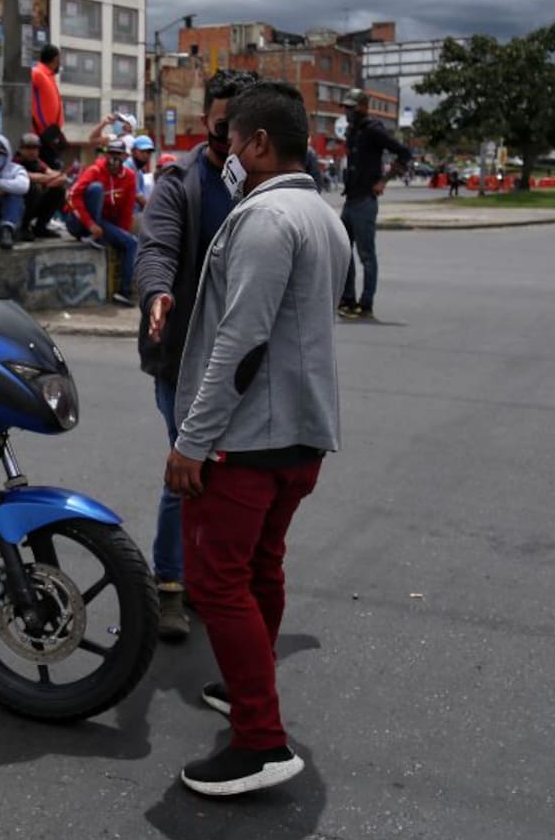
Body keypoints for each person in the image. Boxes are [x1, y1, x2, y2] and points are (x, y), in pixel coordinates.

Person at [164, 81, 350, 797]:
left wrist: (192, 439)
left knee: (216, 581)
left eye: (231, 142)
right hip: (300, 434)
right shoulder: (319, 214)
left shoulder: (268, 217)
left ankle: (260, 741)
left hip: (248, 442)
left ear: (260, 144)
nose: (226, 156)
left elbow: (240, 343)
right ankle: (249, 690)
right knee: (261, 569)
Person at [134, 69, 259, 642]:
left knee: (235, 475)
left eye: (239, 133)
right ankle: (170, 587)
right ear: (205, 125)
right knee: (187, 468)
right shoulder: (178, 183)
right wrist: (158, 293)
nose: (228, 145)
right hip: (182, 355)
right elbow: (156, 247)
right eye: (219, 131)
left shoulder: (270, 184)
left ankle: (217, 580)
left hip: (247, 360)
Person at [337, 88, 411, 321]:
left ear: (363, 107)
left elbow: (404, 153)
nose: (348, 111)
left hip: (365, 201)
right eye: (346, 107)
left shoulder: (373, 130)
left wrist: (384, 181)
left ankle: (365, 303)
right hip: (350, 200)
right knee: (342, 251)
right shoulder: (352, 131)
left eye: (352, 107)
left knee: (366, 255)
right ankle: (347, 300)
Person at [65, 137, 138, 307]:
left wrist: (120, 234)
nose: (114, 158)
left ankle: (124, 292)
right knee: (96, 189)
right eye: (111, 154)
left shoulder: (129, 177)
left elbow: (127, 210)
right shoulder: (95, 170)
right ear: (105, 154)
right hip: (78, 220)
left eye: (118, 154)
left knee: (131, 243)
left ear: (125, 157)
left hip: (100, 225)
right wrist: (90, 223)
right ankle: (93, 235)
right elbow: (72, 196)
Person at [14, 132, 68, 240]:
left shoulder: (37, 162)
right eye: (28, 148)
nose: (32, 151)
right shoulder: (15, 162)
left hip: (34, 204)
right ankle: (23, 228)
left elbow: (60, 176)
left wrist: (51, 179)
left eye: (35, 148)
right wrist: (48, 179)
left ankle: (40, 227)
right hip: (17, 207)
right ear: (20, 149)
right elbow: (31, 177)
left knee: (59, 190)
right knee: (35, 188)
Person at [31, 44, 67, 169]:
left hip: (52, 134)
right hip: (42, 135)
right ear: (55, 59)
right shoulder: (37, 73)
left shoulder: (48, 76)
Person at [127, 134, 155, 214]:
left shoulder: (139, 172)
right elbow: (139, 197)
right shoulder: (128, 167)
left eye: (149, 152)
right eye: (142, 151)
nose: (146, 155)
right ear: (133, 151)